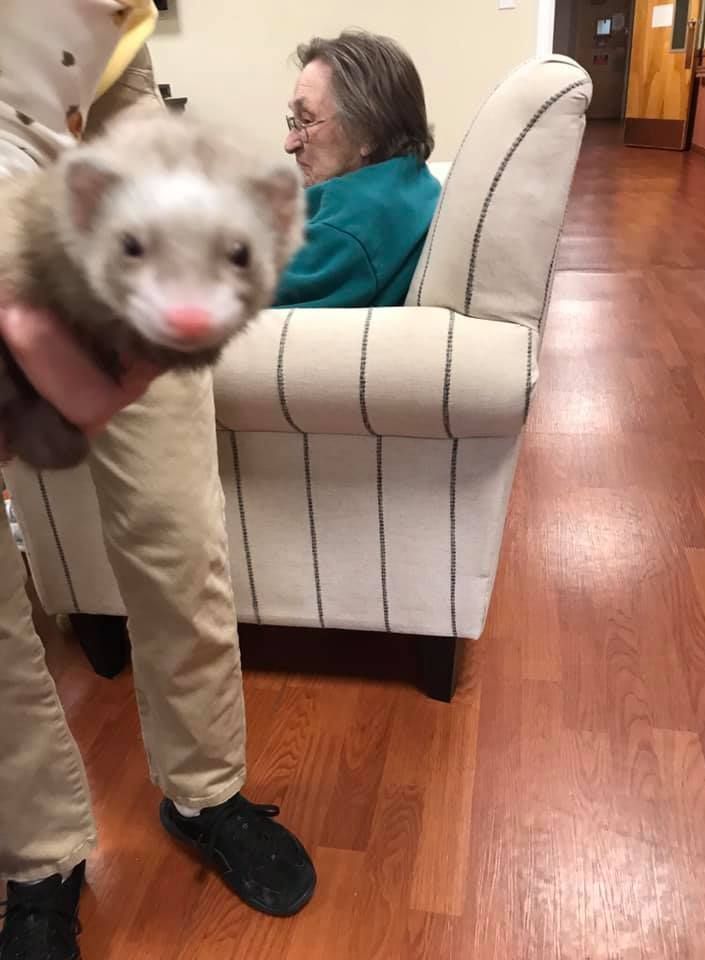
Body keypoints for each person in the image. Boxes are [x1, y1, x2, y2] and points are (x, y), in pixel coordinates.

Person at [0, 17, 439, 960]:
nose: (291, 136)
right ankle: (38, 859)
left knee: (179, 533)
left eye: (304, 120)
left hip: (114, 150)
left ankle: (205, 794)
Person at [275, 30, 441, 308]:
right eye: (295, 121)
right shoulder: (413, 182)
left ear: (370, 133)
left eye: (307, 120)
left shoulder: (349, 228)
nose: (290, 143)